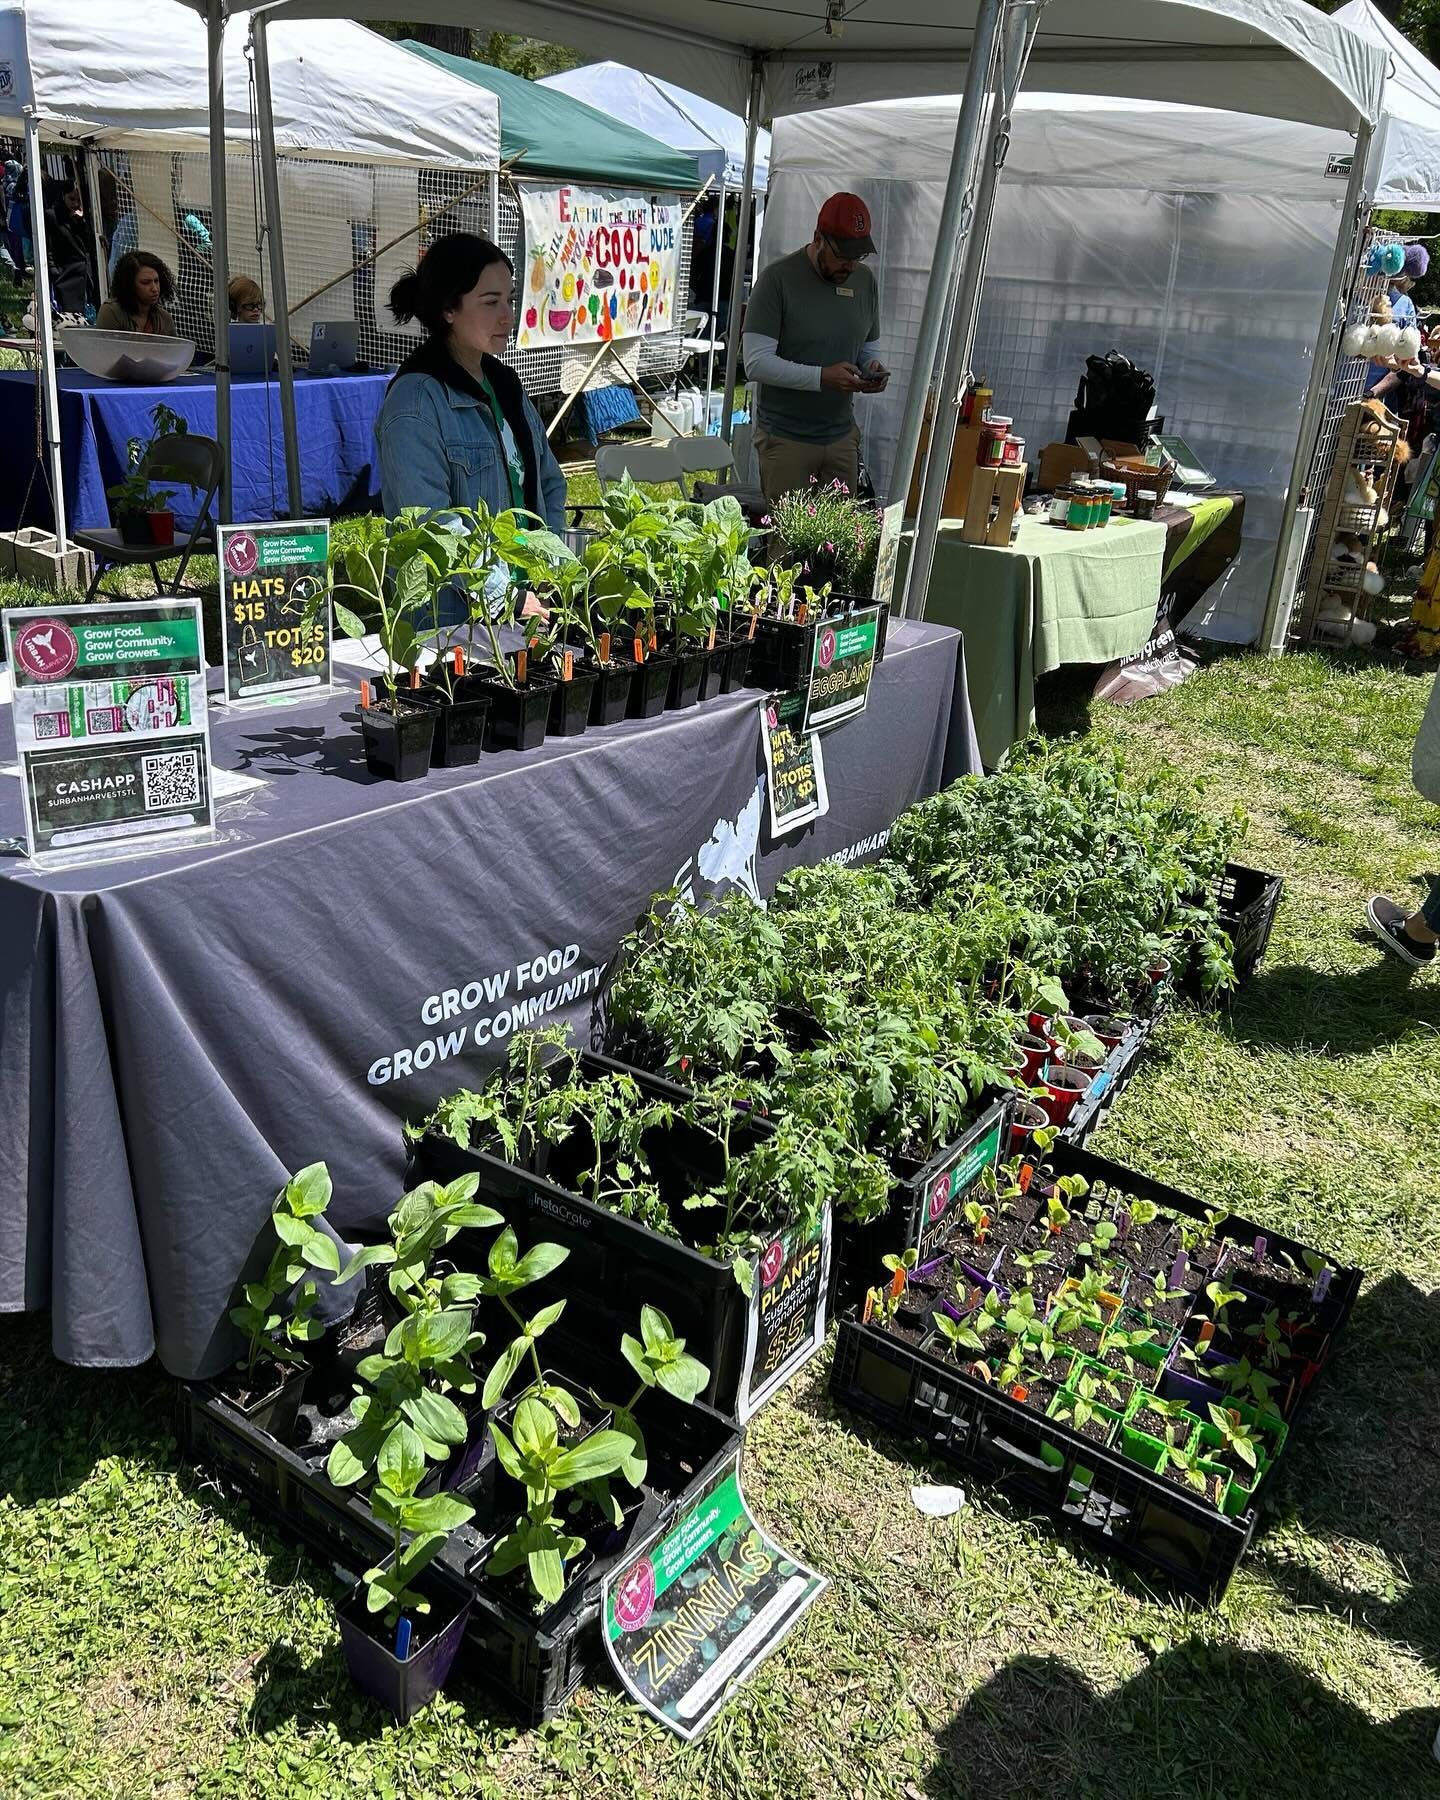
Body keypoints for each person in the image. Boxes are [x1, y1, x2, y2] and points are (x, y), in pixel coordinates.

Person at [374, 231, 566, 537]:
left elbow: (551, 483)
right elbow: (434, 527)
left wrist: (551, 564)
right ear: (449, 309)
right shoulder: (415, 403)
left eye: (510, 299)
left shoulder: (506, 384)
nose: (507, 316)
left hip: (534, 581)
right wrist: (505, 587)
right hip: (461, 586)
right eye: (491, 302)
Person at [741, 192, 887, 502]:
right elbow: (755, 363)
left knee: (841, 543)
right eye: (841, 255)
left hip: (841, 437)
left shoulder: (864, 282)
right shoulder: (777, 281)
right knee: (788, 546)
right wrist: (822, 377)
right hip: (787, 440)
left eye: (857, 256)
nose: (849, 265)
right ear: (817, 238)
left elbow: (867, 349)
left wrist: (872, 370)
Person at [96, 251, 178, 336]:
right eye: (145, 282)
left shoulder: (165, 319)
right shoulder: (112, 312)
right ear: (129, 284)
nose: (154, 288)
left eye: (156, 281)